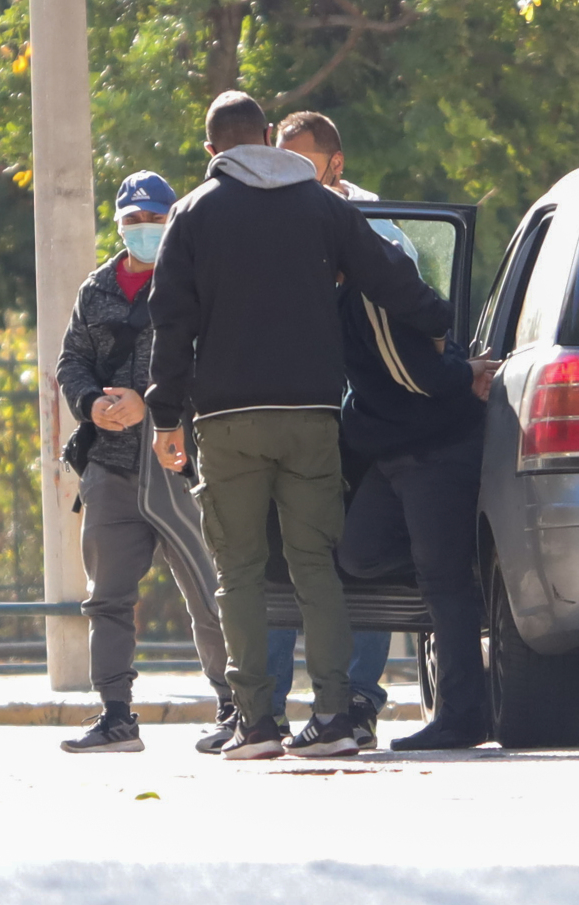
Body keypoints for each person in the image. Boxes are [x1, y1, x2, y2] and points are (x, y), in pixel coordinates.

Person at [145, 91, 455, 760]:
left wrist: (166, 415)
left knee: (240, 569)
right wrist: (441, 324)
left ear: (211, 151)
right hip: (312, 415)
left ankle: (256, 721)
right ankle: (336, 714)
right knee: (318, 565)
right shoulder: (325, 206)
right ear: (266, 136)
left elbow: (171, 323)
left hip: (225, 421)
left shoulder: (191, 214)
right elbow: (388, 275)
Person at [267, 111, 497, 750]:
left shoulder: (368, 246)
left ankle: (462, 717)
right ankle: (459, 559)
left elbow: (411, 367)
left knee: (441, 579)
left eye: (302, 163)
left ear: (334, 166)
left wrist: (461, 375)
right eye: (281, 164)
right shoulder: (309, 243)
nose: (291, 178)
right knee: (360, 555)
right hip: (393, 448)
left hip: (435, 441)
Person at [56, 171, 234, 754]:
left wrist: (151, 404)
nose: (144, 230)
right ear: (119, 225)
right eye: (133, 221)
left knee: (210, 590)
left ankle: (235, 706)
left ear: (172, 219)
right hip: (110, 466)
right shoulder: (97, 289)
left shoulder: (197, 280)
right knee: (106, 597)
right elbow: (72, 362)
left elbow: (215, 363)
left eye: (154, 220)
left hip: (180, 461)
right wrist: (92, 405)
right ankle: (115, 715)